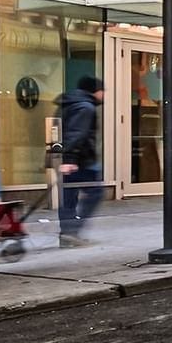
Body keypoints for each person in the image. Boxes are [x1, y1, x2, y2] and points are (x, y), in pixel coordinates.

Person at [58, 76, 104, 248]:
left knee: (69, 197)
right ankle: (73, 230)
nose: (104, 94)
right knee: (96, 192)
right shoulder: (85, 107)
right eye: (102, 90)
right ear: (96, 91)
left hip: (69, 158)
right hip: (82, 160)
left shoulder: (69, 103)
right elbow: (76, 133)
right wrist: (70, 158)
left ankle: (68, 233)